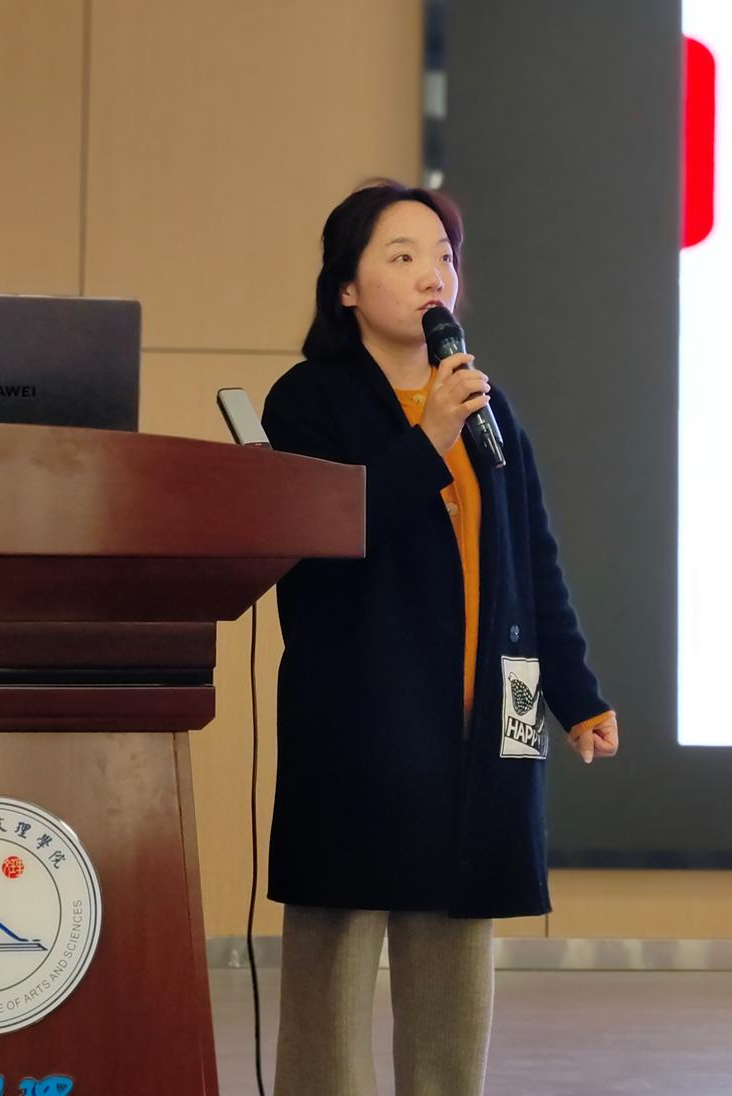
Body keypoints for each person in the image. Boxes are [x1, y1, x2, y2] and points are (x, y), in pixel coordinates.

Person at [260, 181, 619, 1096]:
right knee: (333, 975)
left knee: (453, 983)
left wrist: (575, 693)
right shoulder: (307, 401)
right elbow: (324, 535)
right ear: (346, 287)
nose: (433, 275)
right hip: (362, 727)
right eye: (403, 255)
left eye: (443, 256)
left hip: (478, 729)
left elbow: (531, 560)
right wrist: (426, 438)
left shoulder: (485, 407)